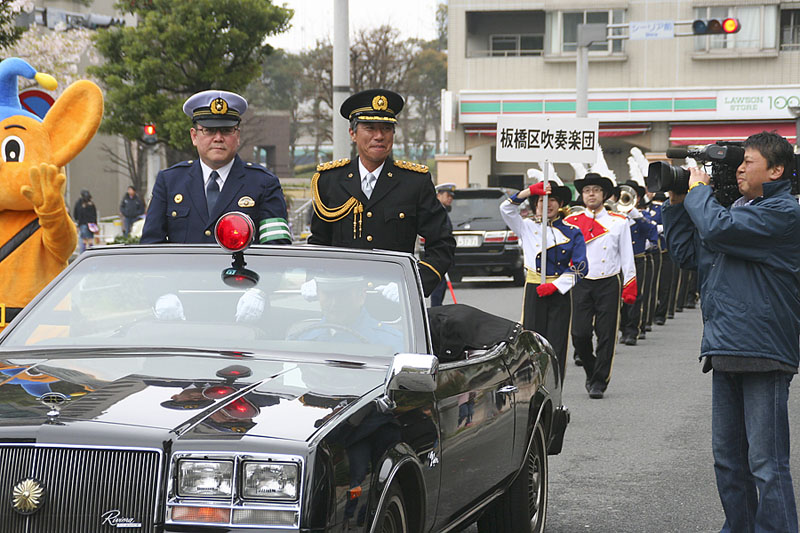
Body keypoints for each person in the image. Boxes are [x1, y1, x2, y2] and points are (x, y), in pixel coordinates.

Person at [663, 131, 800, 533]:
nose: (740, 168)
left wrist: (697, 192)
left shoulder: (782, 213)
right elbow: (689, 254)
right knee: (727, 458)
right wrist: (677, 202)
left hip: (764, 348)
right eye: (737, 162)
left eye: (749, 161)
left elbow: (718, 229)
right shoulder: (734, 211)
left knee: (766, 462)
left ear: (777, 170)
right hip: (725, 346)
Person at [308, 89, 455, 297]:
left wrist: (415, 283)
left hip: (396, 302)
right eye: (370, 128)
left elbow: (442, 242)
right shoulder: (330, 180)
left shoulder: (414, 182)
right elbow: (319, 242)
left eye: (387, 128)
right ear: (353, 134)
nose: (379, 136)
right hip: (340, 298)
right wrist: (314, 279)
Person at [141, 90, 290, 245]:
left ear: (237, 136)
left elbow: (277, 250)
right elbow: (150, 246)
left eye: (226, 130)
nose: (218, 138)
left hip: (242, 270)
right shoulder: (169, 182)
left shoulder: (264, 183)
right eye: (209, 130)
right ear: (194, 136)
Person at [500, 176, 587, 387]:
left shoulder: (572, 232)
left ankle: (555, 390)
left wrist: (556, 286)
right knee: (531, 342)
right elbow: (506, 208)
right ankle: (532, 389)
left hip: (559, 291)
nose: (547, 204)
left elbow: (581, 267)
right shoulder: (527, 226)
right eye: (541, 200)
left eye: (553, 200)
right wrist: (529, 191)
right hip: (534, 289)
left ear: (561, 204)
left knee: (556, 344)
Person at [564, 173, 637, 399]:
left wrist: (630, 284)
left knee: (606, 335)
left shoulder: (618, 221)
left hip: (608, 282)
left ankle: (599, 381)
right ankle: (591, 368)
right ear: (582, 195)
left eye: (595, 190)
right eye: (587, 191)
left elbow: (627, 256)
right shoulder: (570, 222)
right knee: (580, 333)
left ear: (604, 195)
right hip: (581, 281)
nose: (591, 194)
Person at [430, 182, 456, 306]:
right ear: (438, 195)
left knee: (441, 288)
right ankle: (435, 314)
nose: (450, 198)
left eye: (452, 196)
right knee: (437, 289)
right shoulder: (436, 212)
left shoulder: (443, 211)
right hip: (438, 255)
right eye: (448, 195)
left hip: (444, 255)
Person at [73, 189, 97, 253]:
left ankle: (83, 253)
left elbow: (76, 214)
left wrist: (77, 223)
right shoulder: (91, 204)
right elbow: (94, 215)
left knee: (83, 240)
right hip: (91, 224)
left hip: (82, 224)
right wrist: (95, 224)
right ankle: (92, 253)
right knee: (90, 239)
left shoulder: (79, 204)